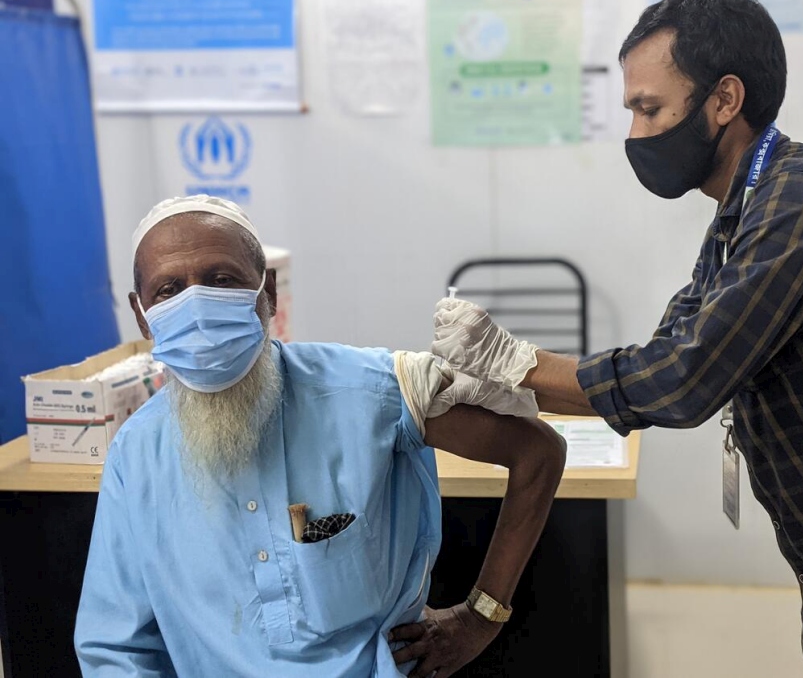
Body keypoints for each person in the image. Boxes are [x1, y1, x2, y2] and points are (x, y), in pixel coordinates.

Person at [432, 0, 803, 676]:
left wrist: (511, 361)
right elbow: (662, 355)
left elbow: (684, 377)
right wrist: (505, 391)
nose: (637, 133)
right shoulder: (740, 219)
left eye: (650, 108)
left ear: (724, 100)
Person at [74, 196, 567, 677]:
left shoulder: (369, 391)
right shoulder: (137, 453)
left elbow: (536, 450)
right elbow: (114, 645)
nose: (197, 305)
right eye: (168, 291)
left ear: (266, 292)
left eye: (222, 280)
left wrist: (482, 616)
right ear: (142, 315)